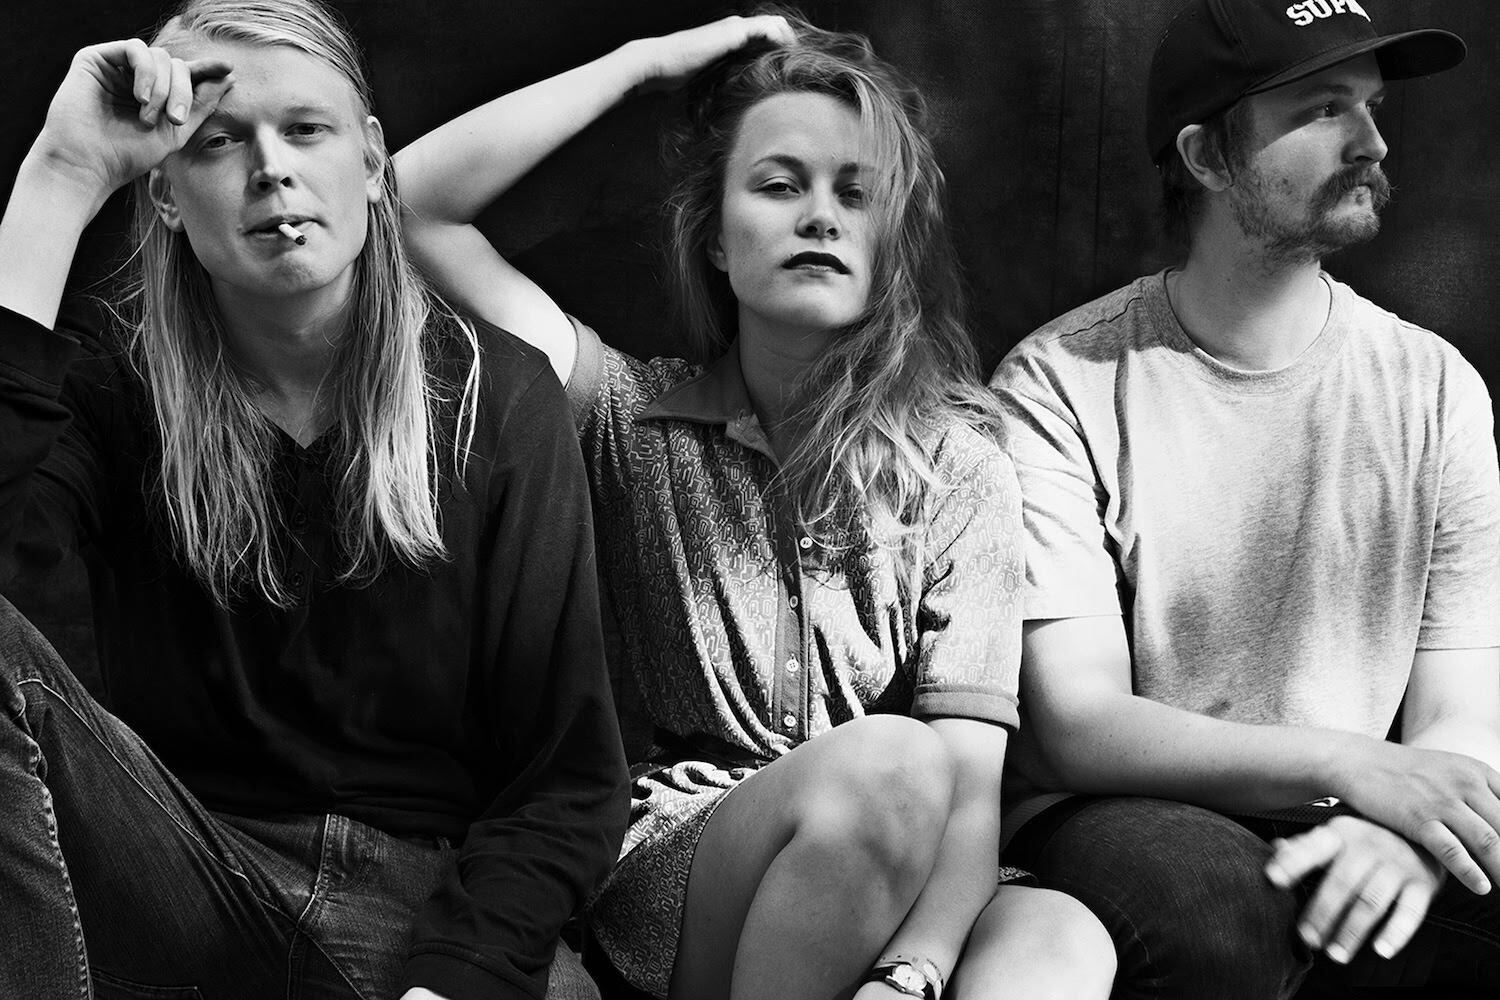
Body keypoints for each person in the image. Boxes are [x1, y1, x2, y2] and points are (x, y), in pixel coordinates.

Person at [395, 12, 1116, 1000]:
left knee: (1062, 937)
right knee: (890, 766)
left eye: (856, 194)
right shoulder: (630, 418)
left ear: (893, 245)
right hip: (688, 867)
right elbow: (412, 205)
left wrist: (911, 975)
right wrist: (642, 64)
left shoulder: (960, 467)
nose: (820, 217)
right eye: (779, 186)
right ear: (717, 241)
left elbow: (969, 792)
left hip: (907, 854)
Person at [0, 1, 629, 998]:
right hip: (183, 871)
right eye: (217, 142)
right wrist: (61, 176)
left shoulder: (498, 396)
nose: (270, 169)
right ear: (164, 193)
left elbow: (567, 780)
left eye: (305, 129)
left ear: (372, 161)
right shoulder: (112, 393)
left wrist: (450, 981)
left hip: (421, 902)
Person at [990, 0, 1500, 996]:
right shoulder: (1057, 382)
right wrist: (1353, 767)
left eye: (1371, 105)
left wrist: (1413, 836)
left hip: (1359, 804)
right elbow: (1079, 724)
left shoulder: (1436, 387)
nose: (1372, 141)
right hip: (1126, 802)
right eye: (1323, 109)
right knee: (1225, 919)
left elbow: (1463, 710)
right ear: (1204, 157)